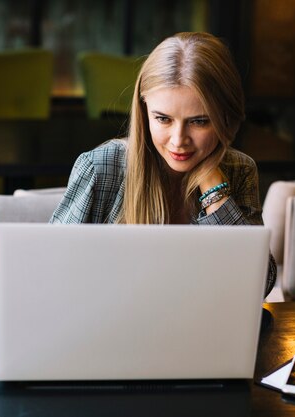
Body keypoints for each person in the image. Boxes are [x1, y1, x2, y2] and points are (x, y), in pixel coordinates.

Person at [50, 32, 276, 295]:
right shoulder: (101, 167)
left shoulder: (239, 170)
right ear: (144, 108)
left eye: (199, 121)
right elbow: (52, 270)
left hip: (201, 327)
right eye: (163, 119)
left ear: (225, 116)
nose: (178, 140)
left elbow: (260, 285)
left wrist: (215, 191)